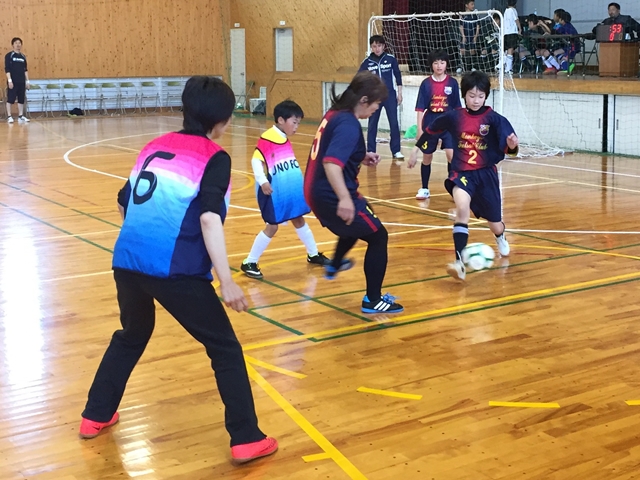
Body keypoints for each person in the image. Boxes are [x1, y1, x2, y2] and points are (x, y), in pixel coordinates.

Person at [79, 76, 278, 464]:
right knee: (224, 347)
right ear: (222, 119)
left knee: (132, 334)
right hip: (175, 271)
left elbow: (123, 201)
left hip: (127, 262)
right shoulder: (215, 158)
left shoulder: (154, 146)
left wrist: (143, 240)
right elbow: (208, 220)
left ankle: (96, 414)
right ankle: (246, 437)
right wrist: (226, 280)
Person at [303, 71, 403, 314]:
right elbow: (331, 163)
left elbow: (332, 149)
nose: (376, 110)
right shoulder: (349, 124)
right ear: (364, 100)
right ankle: (373, 299)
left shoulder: (335, 113)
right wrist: (345, 199)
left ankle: (334, 264)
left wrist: (359, 156)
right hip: (330, 192)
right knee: (378, 236)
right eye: (377, 104)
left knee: (357, 224)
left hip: (314, 188)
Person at [410, 71, 518, 281]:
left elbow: (510, 148)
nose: (476, 100)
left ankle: (500, 235)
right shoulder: (455, 116)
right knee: (461, 209)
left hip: (486, 175)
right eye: (471, 95)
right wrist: (416, 150)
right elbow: (431, 130)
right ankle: (459, 263)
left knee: (495, 222)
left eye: (480, 96)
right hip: (461, 173)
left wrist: (513, 146)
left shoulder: (495, 119)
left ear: (486, 96)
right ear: (463, 95)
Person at [240, 100, 331, 279]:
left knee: (298, 218)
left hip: (288, 189)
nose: (297, 127)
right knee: (272, 226)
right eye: (294, 122)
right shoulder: (268, 137)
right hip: (273, 192)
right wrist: (263, 180)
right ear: (281, 120)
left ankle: (313, 254)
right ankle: (249, 261)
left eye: (298, 123)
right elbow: (256, 159)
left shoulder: (282, 137)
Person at [407, 50, 461, 200]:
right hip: (430, 120)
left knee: (451, 156)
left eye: (442, 62)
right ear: (431, 65)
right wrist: (419, 129)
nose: (439, 65)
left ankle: (454, 188)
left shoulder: (452, 83)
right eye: (436, 62)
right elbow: (419, 109)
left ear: (446, 64)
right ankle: (424, 188)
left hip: (448, 122)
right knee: (427, 157)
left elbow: (457, 107)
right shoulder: (426, 84)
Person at [358, 35, 404, 160]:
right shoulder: (366, 62)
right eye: (374, 46)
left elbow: (398, 76)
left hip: (390, 96)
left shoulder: (391, 59)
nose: (377, 48)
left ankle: (396, 151)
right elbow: (360, 79)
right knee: (372, 124)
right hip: (374, 98)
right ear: (371, 47)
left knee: (394, 123)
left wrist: (399, 93)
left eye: (379, 45)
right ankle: (371, 150)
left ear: (383, 46)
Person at [5, 37, 30, 123]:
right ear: (13, 45)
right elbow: (7, 69)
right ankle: (9, 116)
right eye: (16, 43)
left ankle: (20, 116)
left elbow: (25, 70)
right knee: (10, 99)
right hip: (13, 81)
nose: (18, 44)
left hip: (21, 81)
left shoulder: (23, 56)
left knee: (21, 99)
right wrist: (9, 80)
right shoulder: (9, 55)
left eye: (19, 43)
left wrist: (27, 81)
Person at [458, 0, 480, 73]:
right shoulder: (463, 15)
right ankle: (461, 66)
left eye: (473, 4)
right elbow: (461, 26)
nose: (473, 6)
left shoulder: (475, 14)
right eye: (472, 4)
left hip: (472, 35)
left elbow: (477, 26)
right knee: (462, 51)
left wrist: (476, 36)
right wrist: (463, 36)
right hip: (465, 35)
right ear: (467, 5)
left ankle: (473, 66)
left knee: (472, 51)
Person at [502, 0, 522, 74]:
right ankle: (508, 68)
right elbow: (516, 20)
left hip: (505, 33)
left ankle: (502, 65)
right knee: (510, 49)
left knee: (506, 50)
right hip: (512, 32)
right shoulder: (513, 10)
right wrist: (520, 29)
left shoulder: (506, 11)